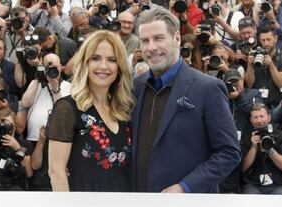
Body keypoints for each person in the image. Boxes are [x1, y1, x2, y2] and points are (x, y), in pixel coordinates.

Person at [132, 7, 241, 193]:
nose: (151, 47)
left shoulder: (208, 88)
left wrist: (185, 187)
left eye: (159, 38)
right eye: (145, 41)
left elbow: (229, 152)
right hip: (139, 204)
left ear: (176, 38)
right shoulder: (136, 86)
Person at [47, 30, 135, 191]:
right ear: (85, 63)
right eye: (95, 58)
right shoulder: (67, 109)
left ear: (120, 66)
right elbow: (56, 172)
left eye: (112, 60)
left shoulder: (124, 109)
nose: (103, 66)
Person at [241, 104, 282, 194]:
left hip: (279, 183)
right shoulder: (246, 138)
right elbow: (243, 168)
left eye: (262, 116)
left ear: (269, 118)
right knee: (249, 199)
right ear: (251, 120)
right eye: (255, 117)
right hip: (254, 183)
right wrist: (253, 147)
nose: (259, 120)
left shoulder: (281, 136)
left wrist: (269, 149)